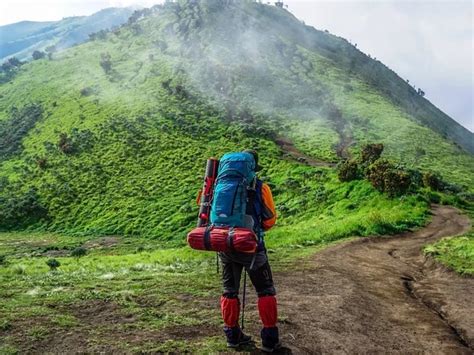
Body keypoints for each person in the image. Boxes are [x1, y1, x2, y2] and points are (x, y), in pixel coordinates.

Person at [219, 149, 280, 352]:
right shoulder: (261, 187)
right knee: (265, 291)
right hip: (252, 247)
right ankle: (269, 340)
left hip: (225, 244)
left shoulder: (219, 184)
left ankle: (232, 336)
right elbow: (270, 221)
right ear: (253, 167)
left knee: (229, 292)